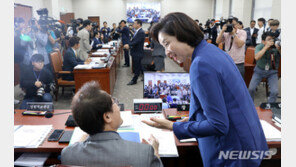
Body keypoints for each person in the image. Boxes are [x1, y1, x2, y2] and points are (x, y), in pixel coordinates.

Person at [143, 12, 268, 167]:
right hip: (246, 142)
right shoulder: (212, 51)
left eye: (167, 43)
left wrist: (172, 126)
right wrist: (195, 118)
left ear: (182, 34)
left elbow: (218, 124)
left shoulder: (201, 65)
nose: (167, 52)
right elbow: (226, 100)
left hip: (230, 152)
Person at [61, 81, 163, 167]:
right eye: (114, 102)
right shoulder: (145, 153)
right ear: (107, 117)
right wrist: (155, 152)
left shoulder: (67, 154)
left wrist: (79, 142)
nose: (118, 107)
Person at [248, 32, 280, 103]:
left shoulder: (276, 47)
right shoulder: (259, 46)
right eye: (269, 39)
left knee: (274, 92)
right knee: (251, 89)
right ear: (263, 41)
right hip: (259, 70)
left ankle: (270, 106)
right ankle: (250, 104)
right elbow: (256, 57)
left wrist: (279, 49)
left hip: (272, 72)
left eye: (272, 39)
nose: (271, 41)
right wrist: (266, 47)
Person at [125, 19, 145, 85]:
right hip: (135, 52)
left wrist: (129, 45)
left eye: (134, 23)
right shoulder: (137, 31)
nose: (133, 24)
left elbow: (136, 42)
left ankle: (134, 80)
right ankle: (145, 76)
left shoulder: (141, 32)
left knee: (137, 67)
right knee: (139, 65)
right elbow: (134, 40)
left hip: (137, 52)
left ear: (138, 24)